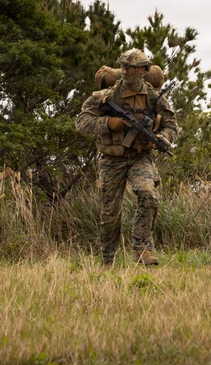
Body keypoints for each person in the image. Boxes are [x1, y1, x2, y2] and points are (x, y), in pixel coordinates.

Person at [75, 48, 180, 267]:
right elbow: (81, 121)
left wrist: (161, 138)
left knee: (148, 194)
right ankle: (108, 259)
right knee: (110, 210)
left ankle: (142, 249)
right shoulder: (106, 97)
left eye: (130, 68)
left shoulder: (154, 96)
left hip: (140, 156)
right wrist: (106, 124)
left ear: (142, 70)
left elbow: (172, 126)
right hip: (111, 158)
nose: (125, 71)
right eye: (123, 67)